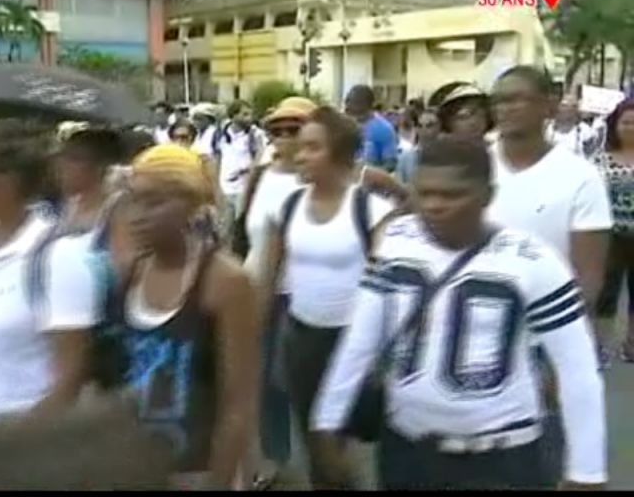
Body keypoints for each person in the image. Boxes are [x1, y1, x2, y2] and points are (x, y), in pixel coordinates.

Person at [311, 136, 606, 490]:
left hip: (499, 458)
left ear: (487, 196)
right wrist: (327, 421)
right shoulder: (395, 242)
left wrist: (587, 472)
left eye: (451, 195)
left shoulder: (532, 260)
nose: (434, 205)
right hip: (407, 449)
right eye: (424, 193)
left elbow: (577, 367)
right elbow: (361, 339)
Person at [256, 107, 395, 488]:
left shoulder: (370, 210)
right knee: (316, 439)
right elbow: (270, 278)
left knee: (355, 437)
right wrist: (256, 333)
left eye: (312, 148)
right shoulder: (287, 208)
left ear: (340, 154)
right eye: (299, 148)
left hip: (357, 343)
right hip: (302, 340)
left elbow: (386, 284)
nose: (299, 156)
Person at [109, 143, 259, 489]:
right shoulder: (131, 273)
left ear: (192, 205)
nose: (139, 214)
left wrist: (219, 482)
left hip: (199, 472)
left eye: (155, 201)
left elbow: (238, 405)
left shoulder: (226, 282)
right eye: (133, 199)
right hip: (134, 469)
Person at [0, 123, 93, 432]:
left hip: (36, 446)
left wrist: (19, 442)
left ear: (6, 183)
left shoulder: (59, 255)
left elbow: (71, 378)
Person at [488, 66, 612, 359]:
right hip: (476, 333)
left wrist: (563, 346)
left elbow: (588, 278)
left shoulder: (581, 177)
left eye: (518, 98)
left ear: (548, 106)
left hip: (543, 341)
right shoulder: (472, 166)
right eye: (500, 100)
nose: (506, 108)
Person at [236, 96, 310, 489]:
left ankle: (324, 459)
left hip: (304, 297)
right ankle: (275, 457)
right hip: (257, 288)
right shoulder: (260, 176)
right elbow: (243, 236)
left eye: (294, 129)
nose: (284, 137)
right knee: (264, 382)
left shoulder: (324, 178)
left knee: (303, 381)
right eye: (277, 130)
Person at [596, 100, 634, 361]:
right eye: (626, 122)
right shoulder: (600, 159)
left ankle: (631, 345)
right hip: (609, 237)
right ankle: (601, 346)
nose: (631, 128)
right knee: (605, 295)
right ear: (615, 126)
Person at [214, 100, 265, 243]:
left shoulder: (255, 134)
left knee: (242, 228)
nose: (249, 118)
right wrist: (216, 184)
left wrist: (248, 171)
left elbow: (260, 157)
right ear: (233, 116)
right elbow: (217, 158)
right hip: (225, 188)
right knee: (224, 230)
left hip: (244, 187)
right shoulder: (220, 133)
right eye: (245, 114)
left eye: (250, 114)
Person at [345, 85, 397, 171]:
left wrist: (367, 175)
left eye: (352, 101)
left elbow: (390, 164)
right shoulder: (343, 124)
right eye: (347, 100)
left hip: (370, 181)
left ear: (365, 104)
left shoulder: (383, 128)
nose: (347, 104)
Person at [395, 108, 441, 184]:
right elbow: (398, 186)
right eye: (420, 126)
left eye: (429, 125)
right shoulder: (406, 156)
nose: (424, 130)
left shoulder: (449, 159)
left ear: (441, 128)